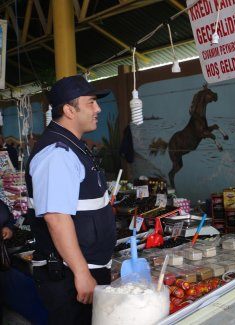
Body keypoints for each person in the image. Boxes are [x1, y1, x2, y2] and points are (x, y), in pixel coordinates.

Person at [25, 75, 115, 324]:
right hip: (68, 277)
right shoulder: (57, 154)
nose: (98, 109)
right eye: (91, 102)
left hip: (84, 270)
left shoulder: (73, 146)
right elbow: (56, 218)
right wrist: (82, 272)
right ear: (68, 110)